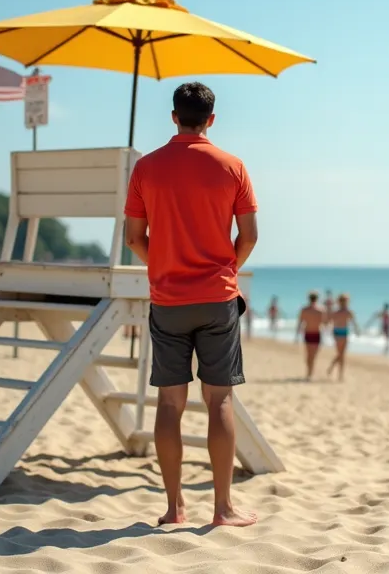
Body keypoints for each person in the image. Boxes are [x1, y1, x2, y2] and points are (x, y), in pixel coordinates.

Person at [122, 81, 259, 528]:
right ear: (211, 119)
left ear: (174, 116)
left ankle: (174, 507)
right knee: (219, 401)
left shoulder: (146, 167)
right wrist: (225, 270)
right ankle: (222, 509)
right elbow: (250, 235)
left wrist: (162, 264)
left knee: (168, 405)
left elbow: (133, 238)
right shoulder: (232, 166)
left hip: (168, 299)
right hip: (217, 297)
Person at [326, 293, 362, 381]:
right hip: (337, 332)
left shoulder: (349, 312)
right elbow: (328, 321)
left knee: (342, 354)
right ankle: (337, 372)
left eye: (346, 301)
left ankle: (337, 371)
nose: (345, 302)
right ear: (340, 301)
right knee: (340, 354)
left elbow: (354, 322)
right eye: (343, 301)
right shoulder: (337, 312)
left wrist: (357, 330)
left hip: (344, 332)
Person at [295, 291, 325, 380]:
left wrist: (296, 336)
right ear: (317, 299)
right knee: (313, 356)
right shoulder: (321, 310)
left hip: (308, 333)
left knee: (309, 355)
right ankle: (310, 373)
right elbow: (324, 323)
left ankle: (309, 373)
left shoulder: (304, 310)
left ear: (309, 298)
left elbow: (300, 323)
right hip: (316, 334)